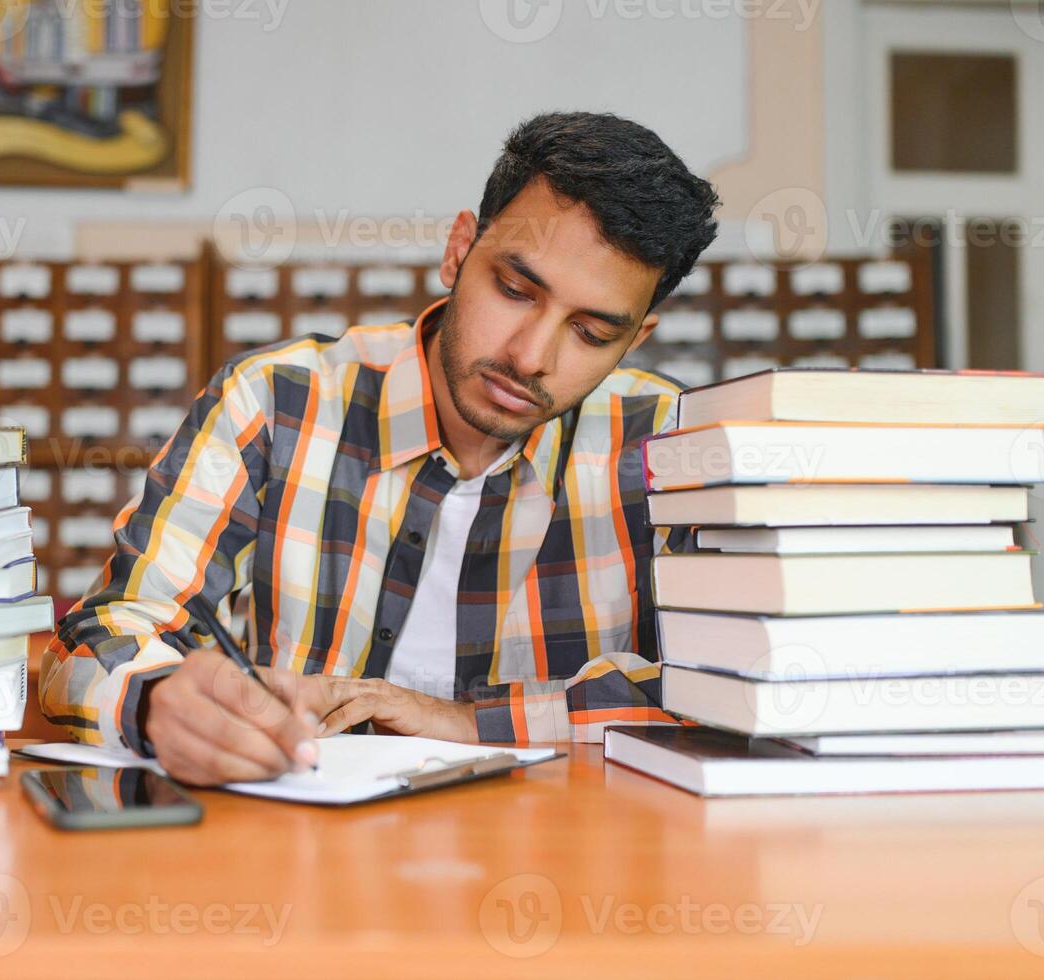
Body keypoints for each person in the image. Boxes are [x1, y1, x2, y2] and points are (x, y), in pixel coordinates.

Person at [40, 111, 720, 786]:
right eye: (514, 291)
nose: (530, 357)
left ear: (634, 340)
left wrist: (467, 721)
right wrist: (156, 700)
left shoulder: (674, 447)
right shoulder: (274, 404)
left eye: (592, 333)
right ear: (458, 250)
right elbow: (96, 636)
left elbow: (736, 689)